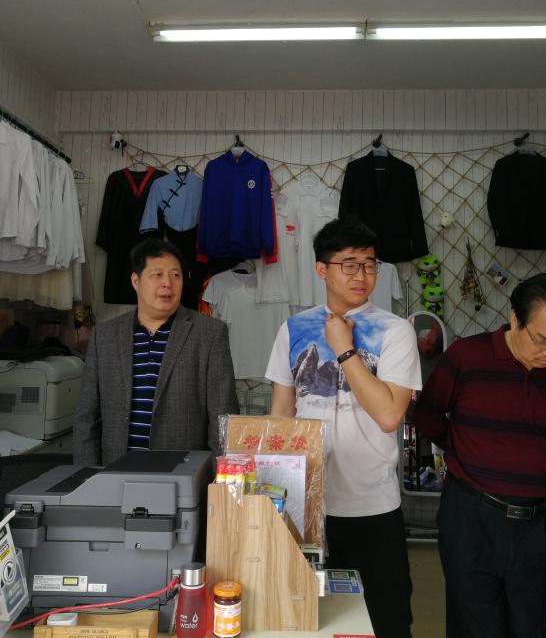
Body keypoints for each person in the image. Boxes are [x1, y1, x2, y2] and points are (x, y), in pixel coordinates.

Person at [266, 217, 422, 638]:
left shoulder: (395, 331)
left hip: (373, 506)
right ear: (322, 269)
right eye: (349, 264)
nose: (361, 275)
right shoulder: (294, 329)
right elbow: (282, 412)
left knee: (386, 620)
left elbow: (389, 415)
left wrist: (344, 349)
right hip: (305, 506)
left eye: (369, 265)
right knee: (309, 619)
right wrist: (273, 492)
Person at [414, 273, 546, 638]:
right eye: (542, 340)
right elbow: (428, 414)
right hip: (471, 518)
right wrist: (467, 450)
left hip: (538, 525)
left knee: (531, 626)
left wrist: (533, 464)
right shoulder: (467, 358)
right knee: (474, 626)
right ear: (515, 319)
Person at [73, 239, 239, 465]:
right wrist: (87, 477)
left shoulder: (209, 334)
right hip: (115, 472)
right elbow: (87, 418)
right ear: (136, 281)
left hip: (182, 475)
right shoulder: (104, 336)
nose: (167, 284)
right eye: (157, 275)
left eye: (175, 275)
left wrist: (214, 481)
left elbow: (224, 422)